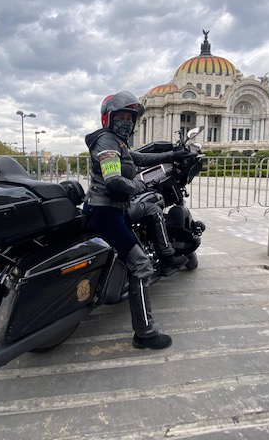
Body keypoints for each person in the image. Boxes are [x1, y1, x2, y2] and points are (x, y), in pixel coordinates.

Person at [84, 91, 196, 349]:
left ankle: (166, 256)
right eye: (121, 116)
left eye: (130, 117)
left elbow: (139, 158)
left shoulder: (118, 143)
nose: (127, 122)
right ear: (108, 119)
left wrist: (172, 155)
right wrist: (137, 185)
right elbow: (114, 183)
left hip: (115, 208)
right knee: (142, 266)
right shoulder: (106, 143)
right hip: (106, 213)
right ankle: (144, 333)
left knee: (152, 208)